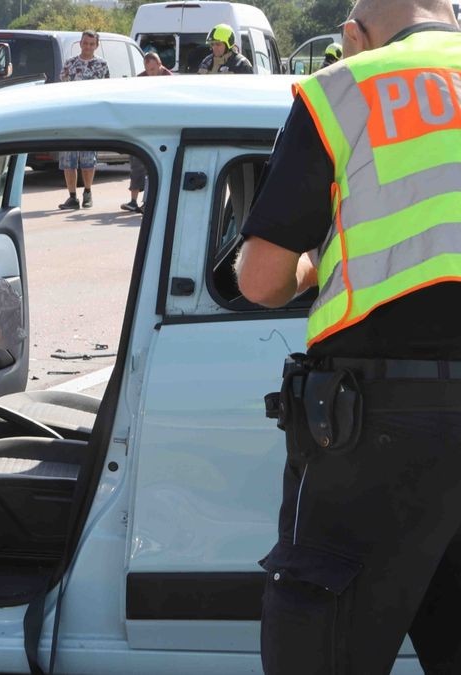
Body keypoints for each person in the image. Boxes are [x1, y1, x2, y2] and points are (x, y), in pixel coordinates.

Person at [234, 0, 461, 672]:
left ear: (353, 36)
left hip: (377, 426)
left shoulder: (345, 90)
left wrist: (318, 262)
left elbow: (260, 280)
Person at [57, 30, 109, 210]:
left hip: (90, 119)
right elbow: (61, 90)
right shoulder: (70, 64)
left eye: (91, 44)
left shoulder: (102, 65)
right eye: (85, 43)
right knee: (68, 161)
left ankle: (87, 192)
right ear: (80, 43)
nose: (88, 47)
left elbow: (107, 91)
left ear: (96, 45)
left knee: (88, 159)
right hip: (70, 118)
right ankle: (72, 196)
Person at [121, 52, 171, 214]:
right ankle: (133, 201)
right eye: (148, 69)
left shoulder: (171, 80)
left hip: (163, 129)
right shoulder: (140, 80)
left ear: (160, 64)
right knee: (136, 163)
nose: (151, 73)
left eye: (153, 69)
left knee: (156, 166)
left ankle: (150, 201)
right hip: (144, 127)